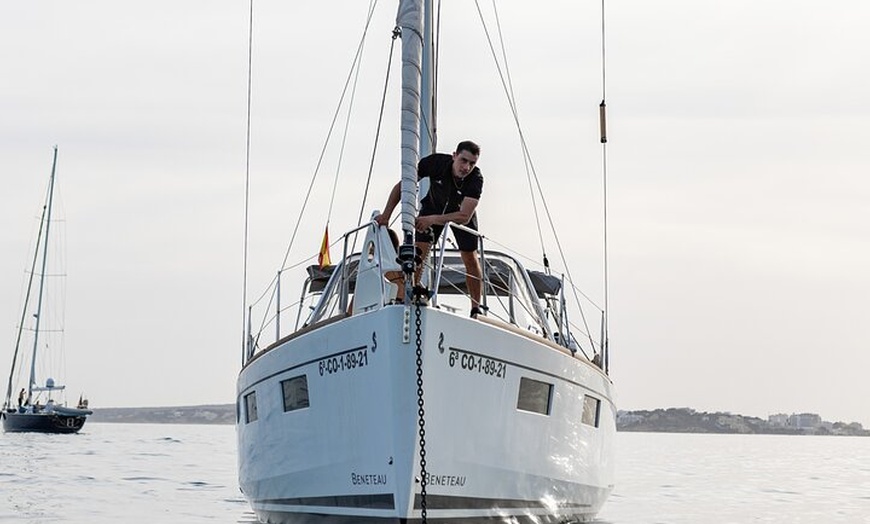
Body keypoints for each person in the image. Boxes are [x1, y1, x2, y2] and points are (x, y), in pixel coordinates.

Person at [375, 140, 484, 317]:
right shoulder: (435, 163)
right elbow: (404, 185)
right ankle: (409, 295)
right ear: (454, 156)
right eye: (463, 160)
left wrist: (432, 220)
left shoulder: (475, 179)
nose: (466, 167)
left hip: (459, 214)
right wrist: (386, 215)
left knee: (470, 258)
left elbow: (464, 216)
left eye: (472, 163)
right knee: (417, 254)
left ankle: (476, 308)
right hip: (433, 206)